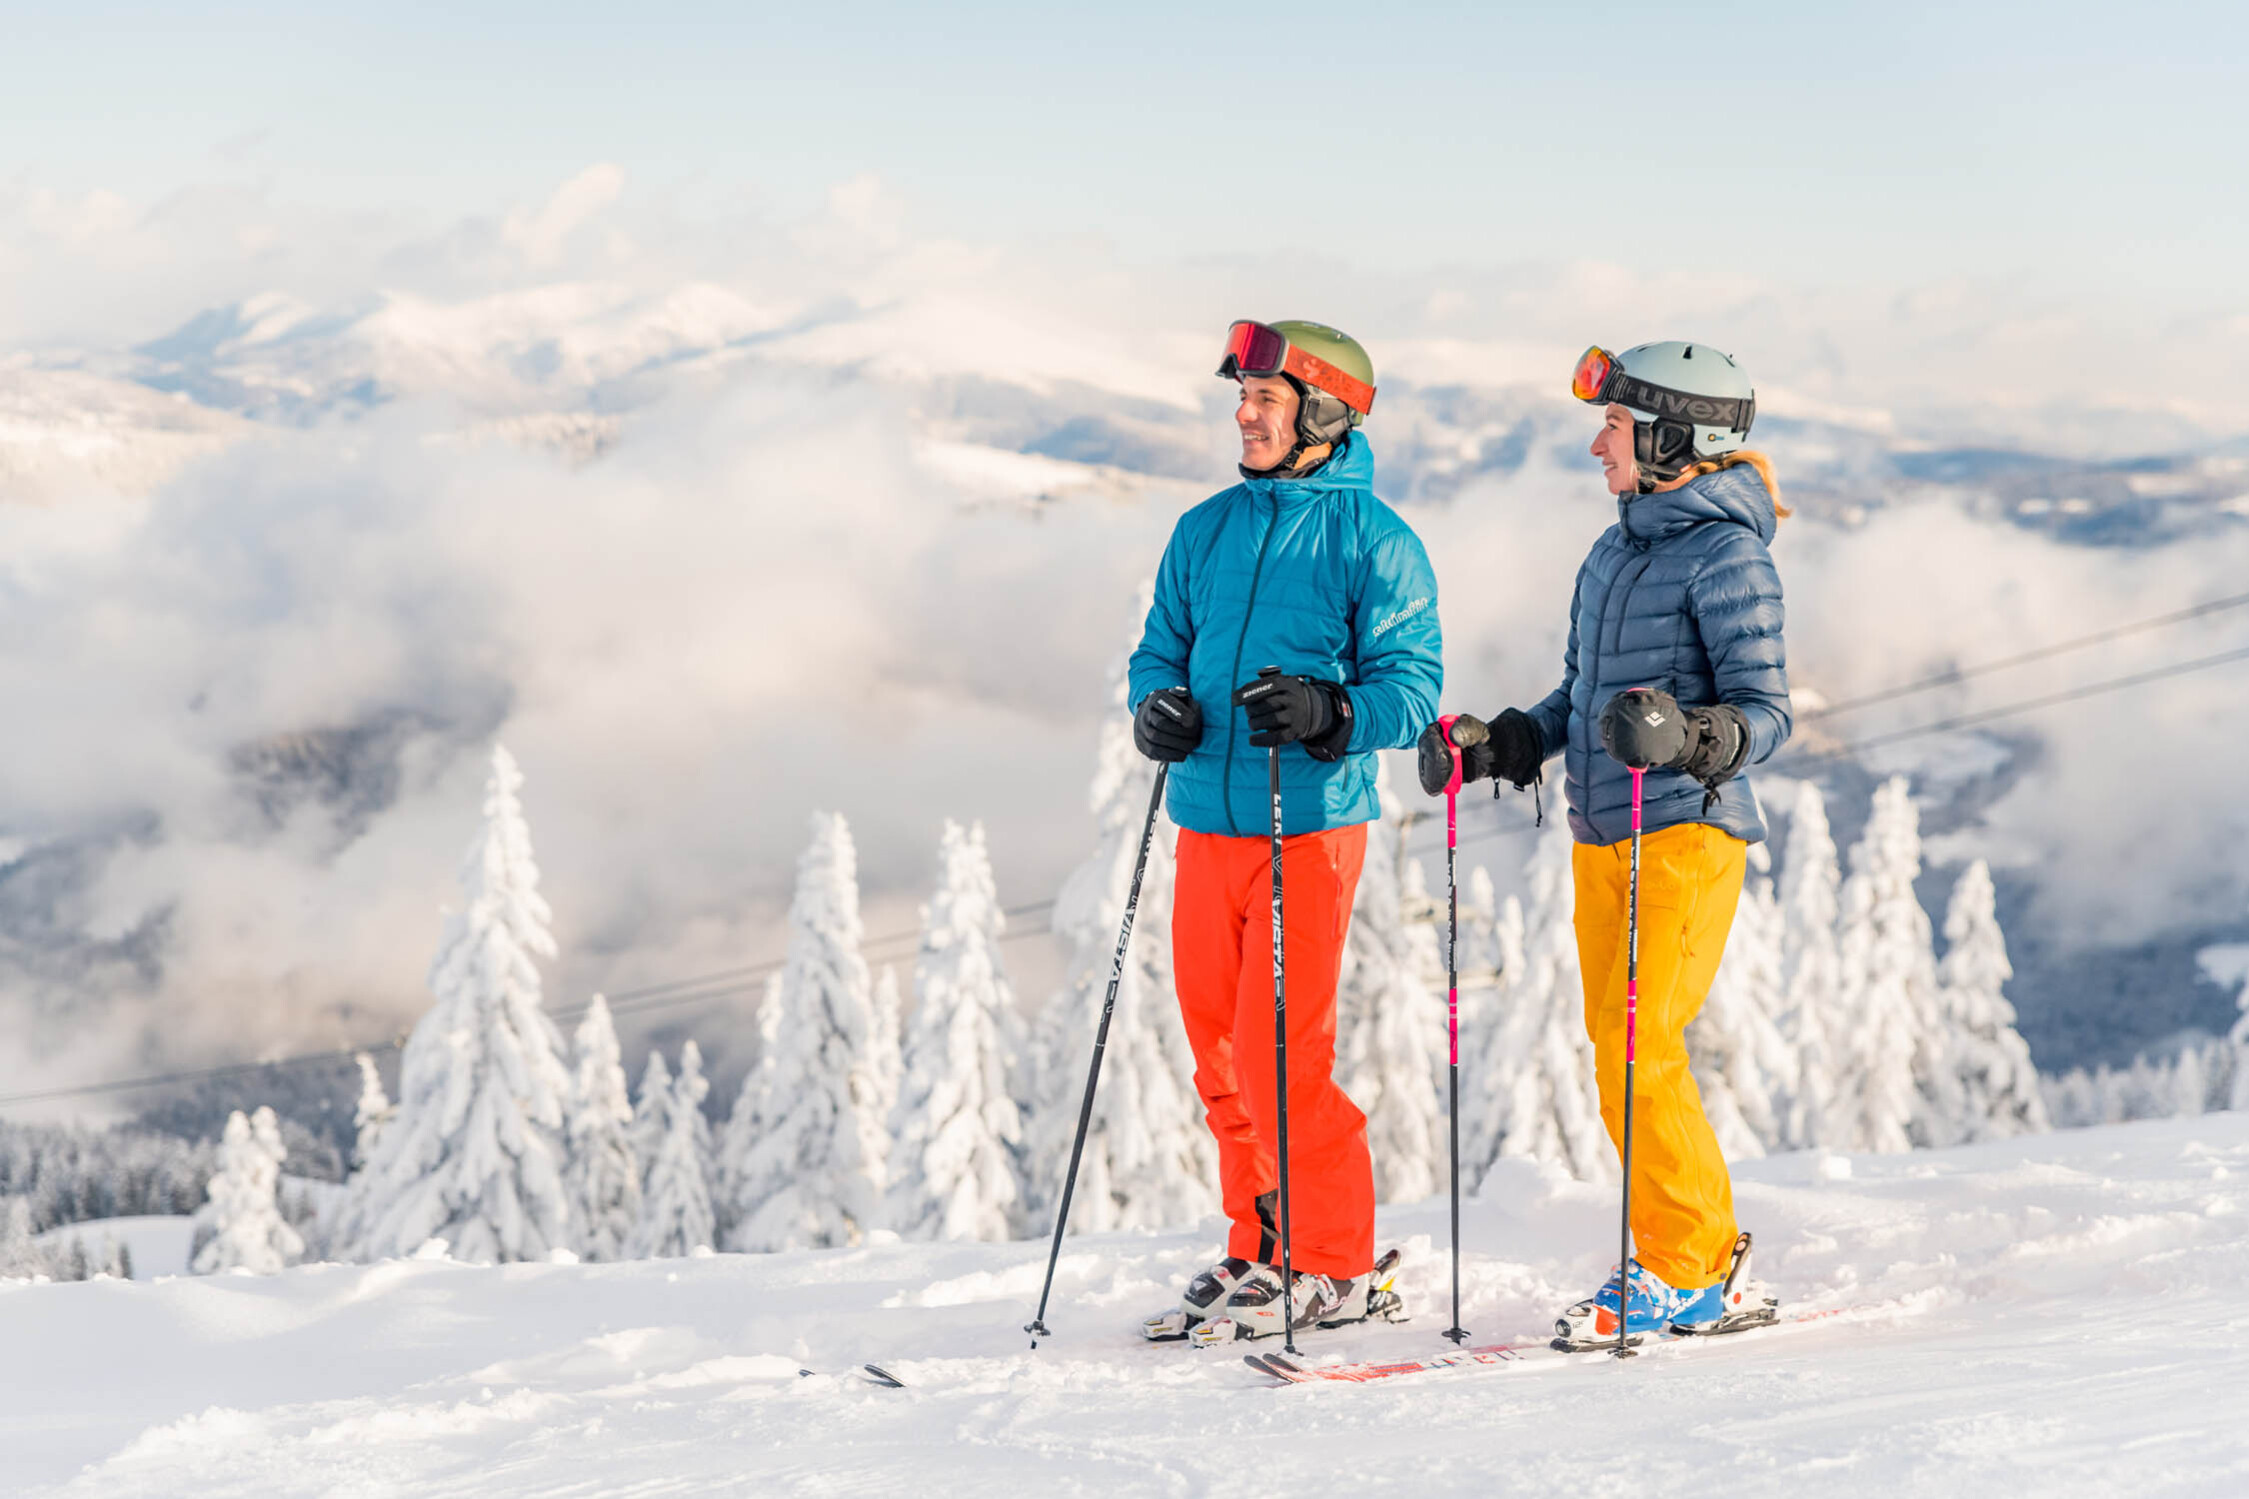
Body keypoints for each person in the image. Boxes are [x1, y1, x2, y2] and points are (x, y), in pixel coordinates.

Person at [1420, 340, 1791, 1342]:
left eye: (1615, 428)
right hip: (1601, 833)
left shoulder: (1728, 556)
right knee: (1615, 1049)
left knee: (1639, 1046)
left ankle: (1693, 1265)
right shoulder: (1613, 551)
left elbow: (1764, 710)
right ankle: (1690, 1252)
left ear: (1676, 436)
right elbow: (1577, 695)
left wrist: (1693, 736)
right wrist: (1507, 742)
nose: (1597, 445)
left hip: (1682, 831)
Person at [1129, 320, 1442, 1342]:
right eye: (1242, 396)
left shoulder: (1374, 541)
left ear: (1322, 412)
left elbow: (1411, 687)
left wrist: (1330, 711)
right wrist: (1155, 708)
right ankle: (1263, 1244)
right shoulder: (1204, 528)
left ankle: (1337, 1262)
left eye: (1264, 398)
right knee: (1216, 1051)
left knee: (1281, 1055)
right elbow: (1155, 652)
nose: (1244, 413)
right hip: (1205, 820)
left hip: (1304, 825)